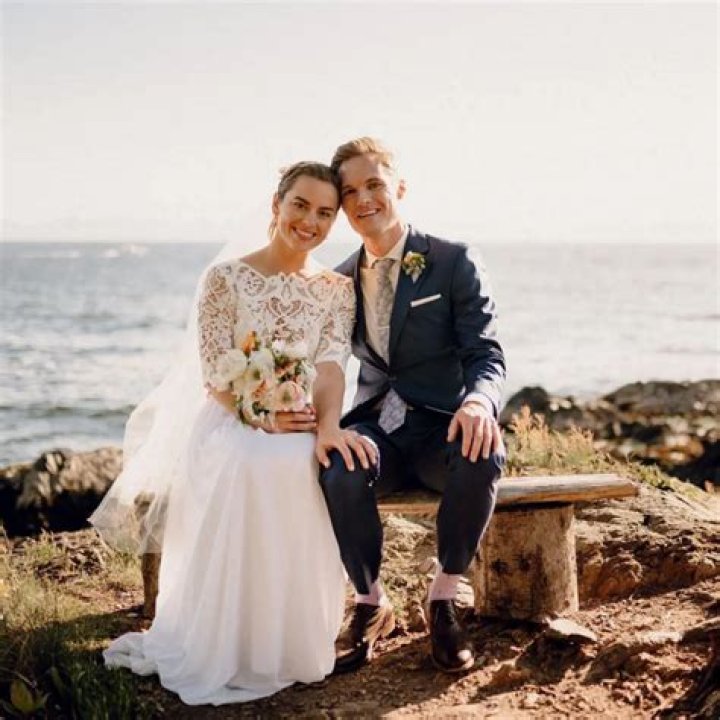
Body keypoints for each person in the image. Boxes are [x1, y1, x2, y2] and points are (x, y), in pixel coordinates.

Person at [90, 161, 376, 705]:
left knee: (307, 462)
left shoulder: (336, 290)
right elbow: (214, 373)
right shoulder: (226, 278)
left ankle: (288, 642)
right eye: (300, 205)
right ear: (276, 205)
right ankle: (229, 640)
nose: (310, 221)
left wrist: (328, 427)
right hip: (232, 418)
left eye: (324, 213)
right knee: (254, 460)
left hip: (303, 418)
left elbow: (331, 366)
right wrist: (258, 413)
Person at [320, 138, 506, 674]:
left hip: (443, 425)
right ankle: (370, 602)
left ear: (399, 188)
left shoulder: (452, 261)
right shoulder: (336, 280)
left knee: (483, 453)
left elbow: (485, 352)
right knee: (339, 468)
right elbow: (325, 364)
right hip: (377, 426)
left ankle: (443, 597)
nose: (364, 199)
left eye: (374, 184)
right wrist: (322, 423)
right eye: (350, 192)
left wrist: (479, 402)